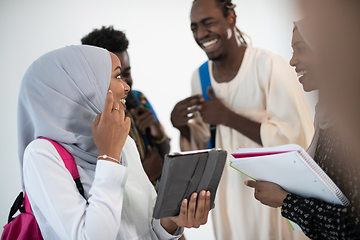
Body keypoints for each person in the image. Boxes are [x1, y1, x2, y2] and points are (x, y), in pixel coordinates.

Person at [18, 45, 212, 239]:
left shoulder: (124, 142)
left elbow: (149, 228)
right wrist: (108, 155)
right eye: (117, 76)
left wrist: (173, 221)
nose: (126, 87)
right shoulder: (42, 154)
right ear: (83, 87)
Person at [170, 0, 314, 239]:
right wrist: (183, 127)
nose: (201, 33)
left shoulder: (268, 65)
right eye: (194, 27)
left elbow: (297, 139)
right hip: (229, 195)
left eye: (208, 23)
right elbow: (208, 144)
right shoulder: (200, 77)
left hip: (271, 197)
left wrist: (228, 117)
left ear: (231, 18)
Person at [245, 20, 360, 239]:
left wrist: (285, 200)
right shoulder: (329, 114)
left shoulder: (352, 121)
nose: (292, 60)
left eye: (301, 49)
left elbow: (353, 226)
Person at [81, 26, 168, 184]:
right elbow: (100, 187)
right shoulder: (94, 121)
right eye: (118, 76)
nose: (126, 84)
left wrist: (158, 135)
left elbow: (166, 154)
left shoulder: (138, 99)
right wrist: (144, 176)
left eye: (127, 73)